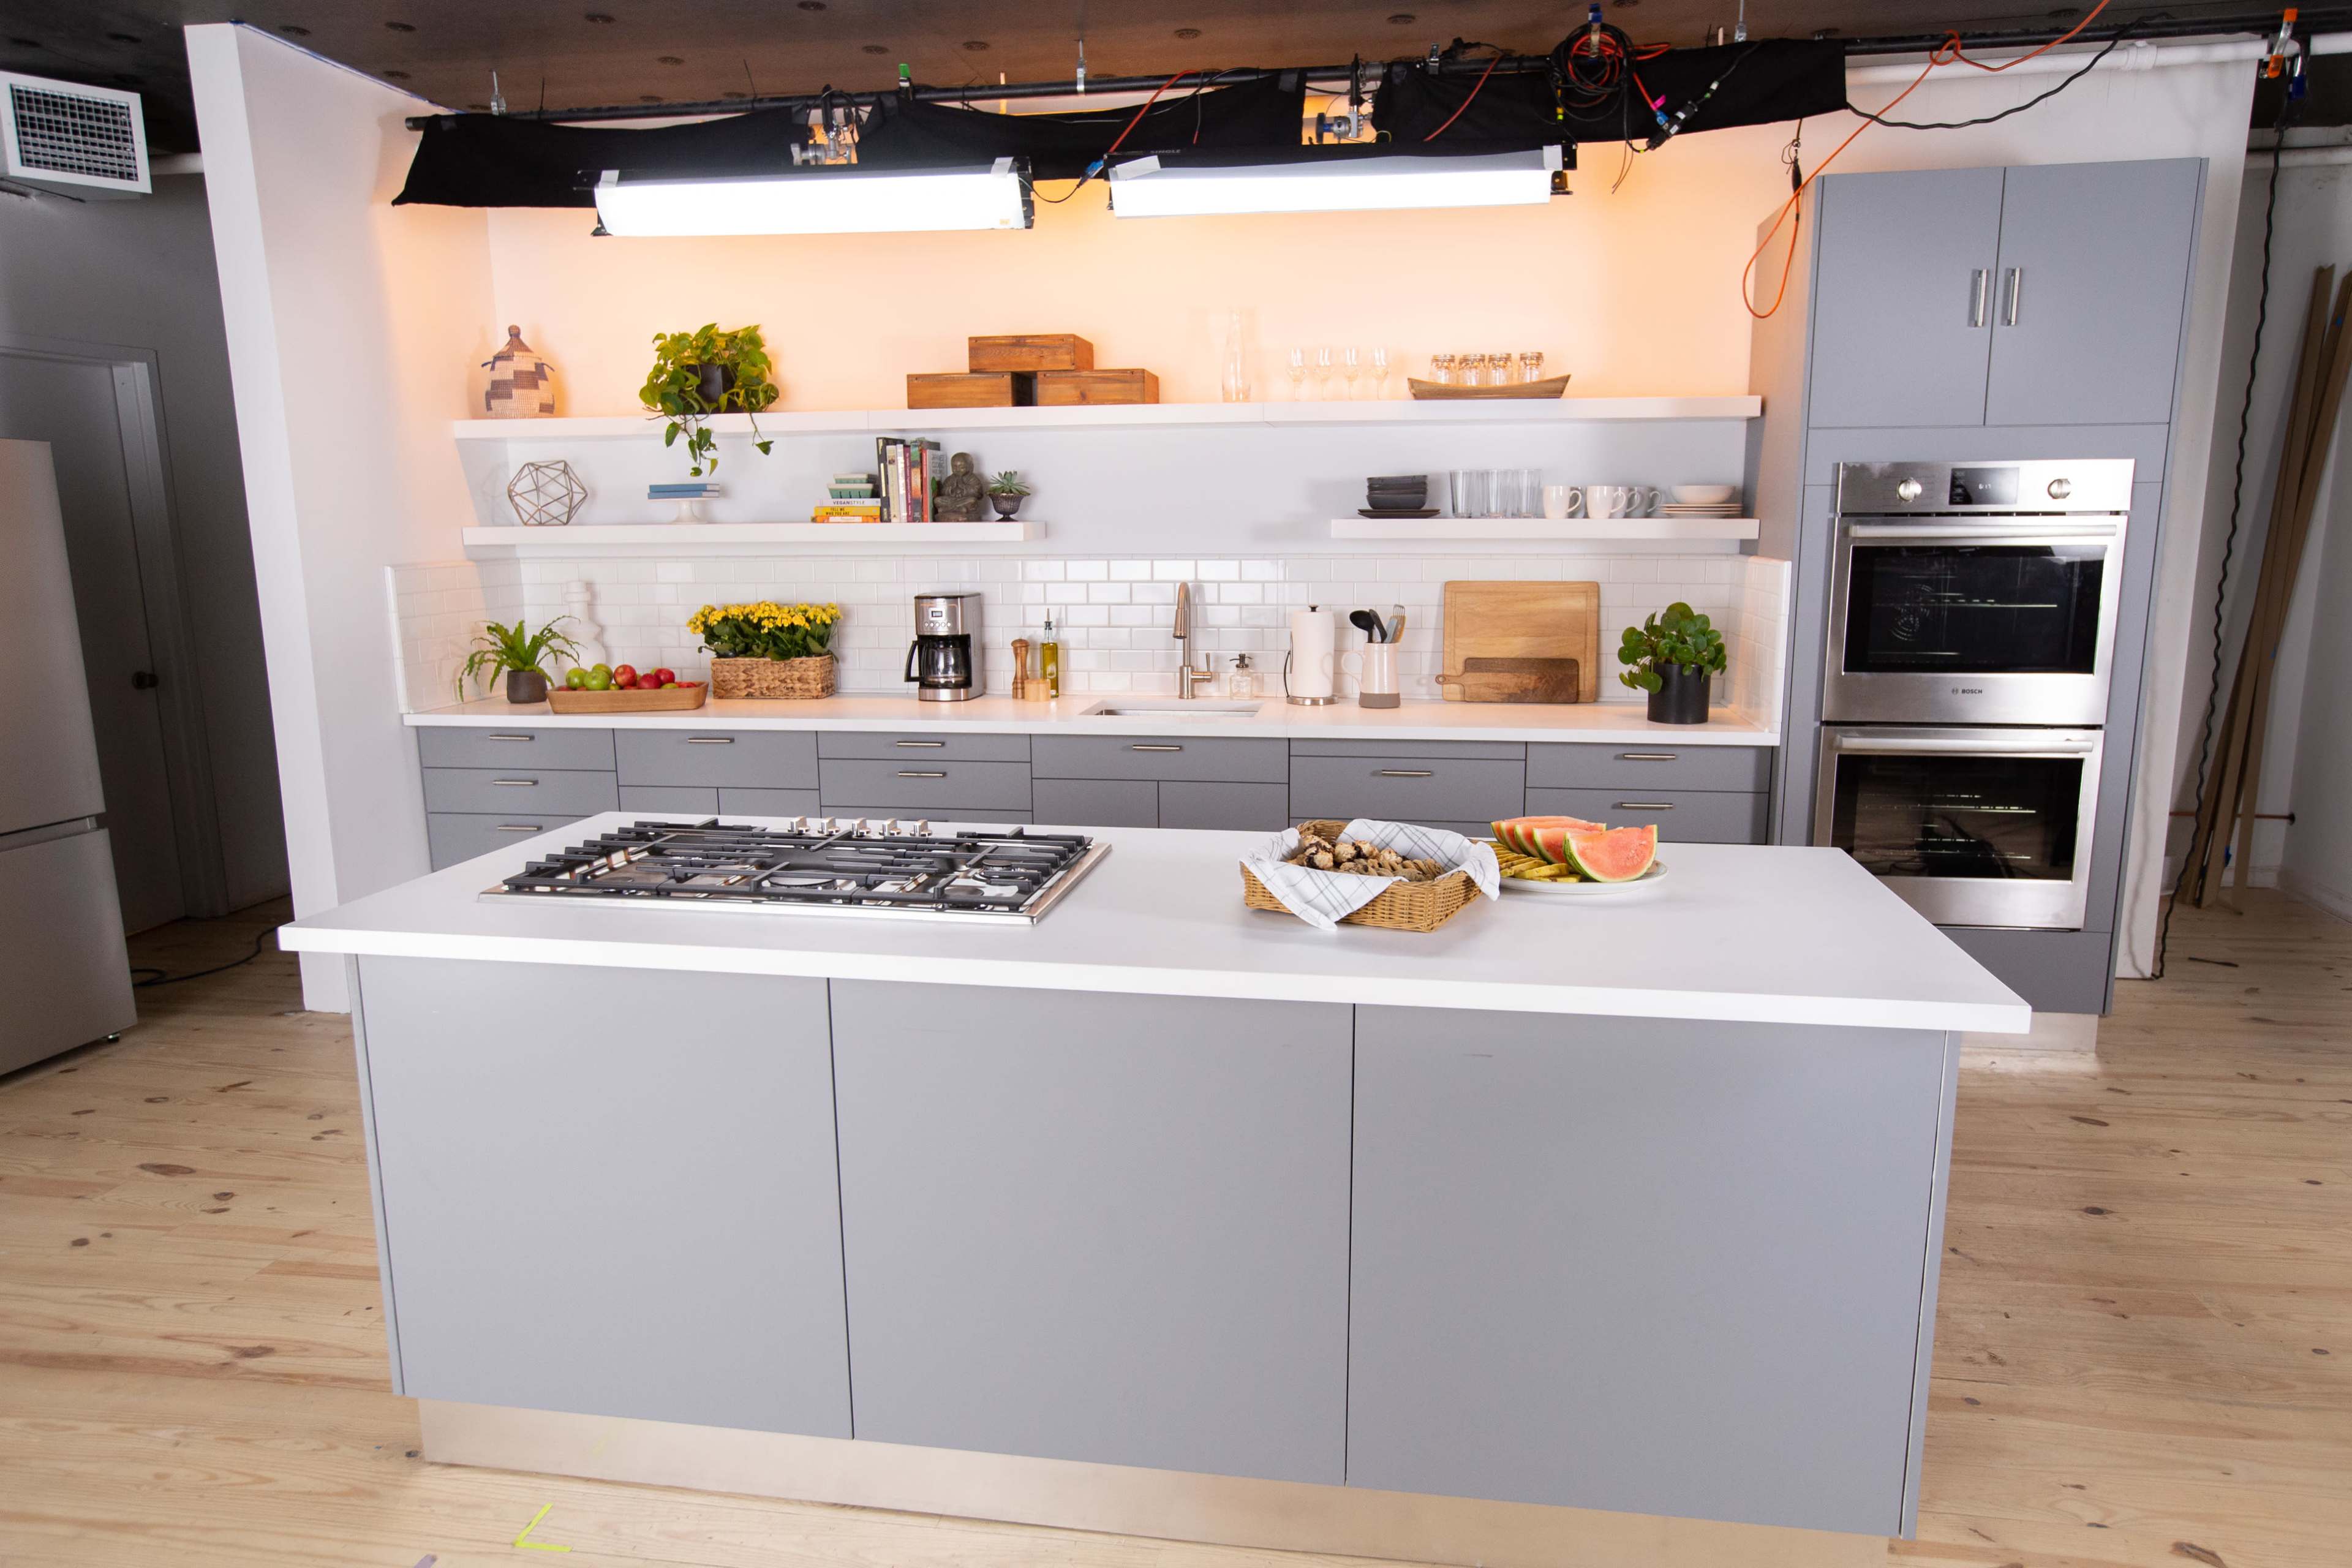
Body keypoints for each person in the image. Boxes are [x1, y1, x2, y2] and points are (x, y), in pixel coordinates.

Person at [936, 451, 986, 521]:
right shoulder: (950, 479)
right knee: (937, 500)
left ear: (970, 467)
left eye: (961, 467)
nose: (958, 470)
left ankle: (947, 509)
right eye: (955, 467)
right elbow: (943, 491)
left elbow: (979, 493)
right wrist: (951, 489)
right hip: (952, 500)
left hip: (964, 501)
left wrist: (964, 488)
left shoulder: (972, 478)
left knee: (972, 501)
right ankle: (959, 509)